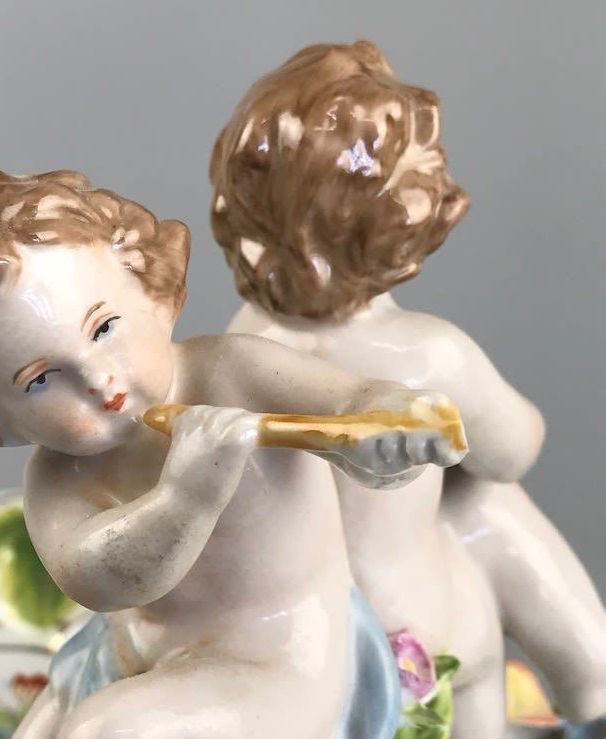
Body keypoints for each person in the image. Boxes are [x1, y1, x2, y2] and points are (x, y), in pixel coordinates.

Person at [0, 167, 460, 738]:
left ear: (147, 290)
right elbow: (102, 580)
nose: (100, 381)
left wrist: (394, 422)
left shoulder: (236, 373)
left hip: (280, 654)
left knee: (106, 734)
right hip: (131, 654)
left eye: (103, 328)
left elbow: (351, 404)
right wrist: (186, 498)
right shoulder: (57, 479)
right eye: (39, 380)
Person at [211, 41, 606, 738]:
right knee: (486, 499)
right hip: (404, 633)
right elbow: (513, 449)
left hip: (269, 632)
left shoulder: (238, 347)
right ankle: (591, 677)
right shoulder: (428, 354)